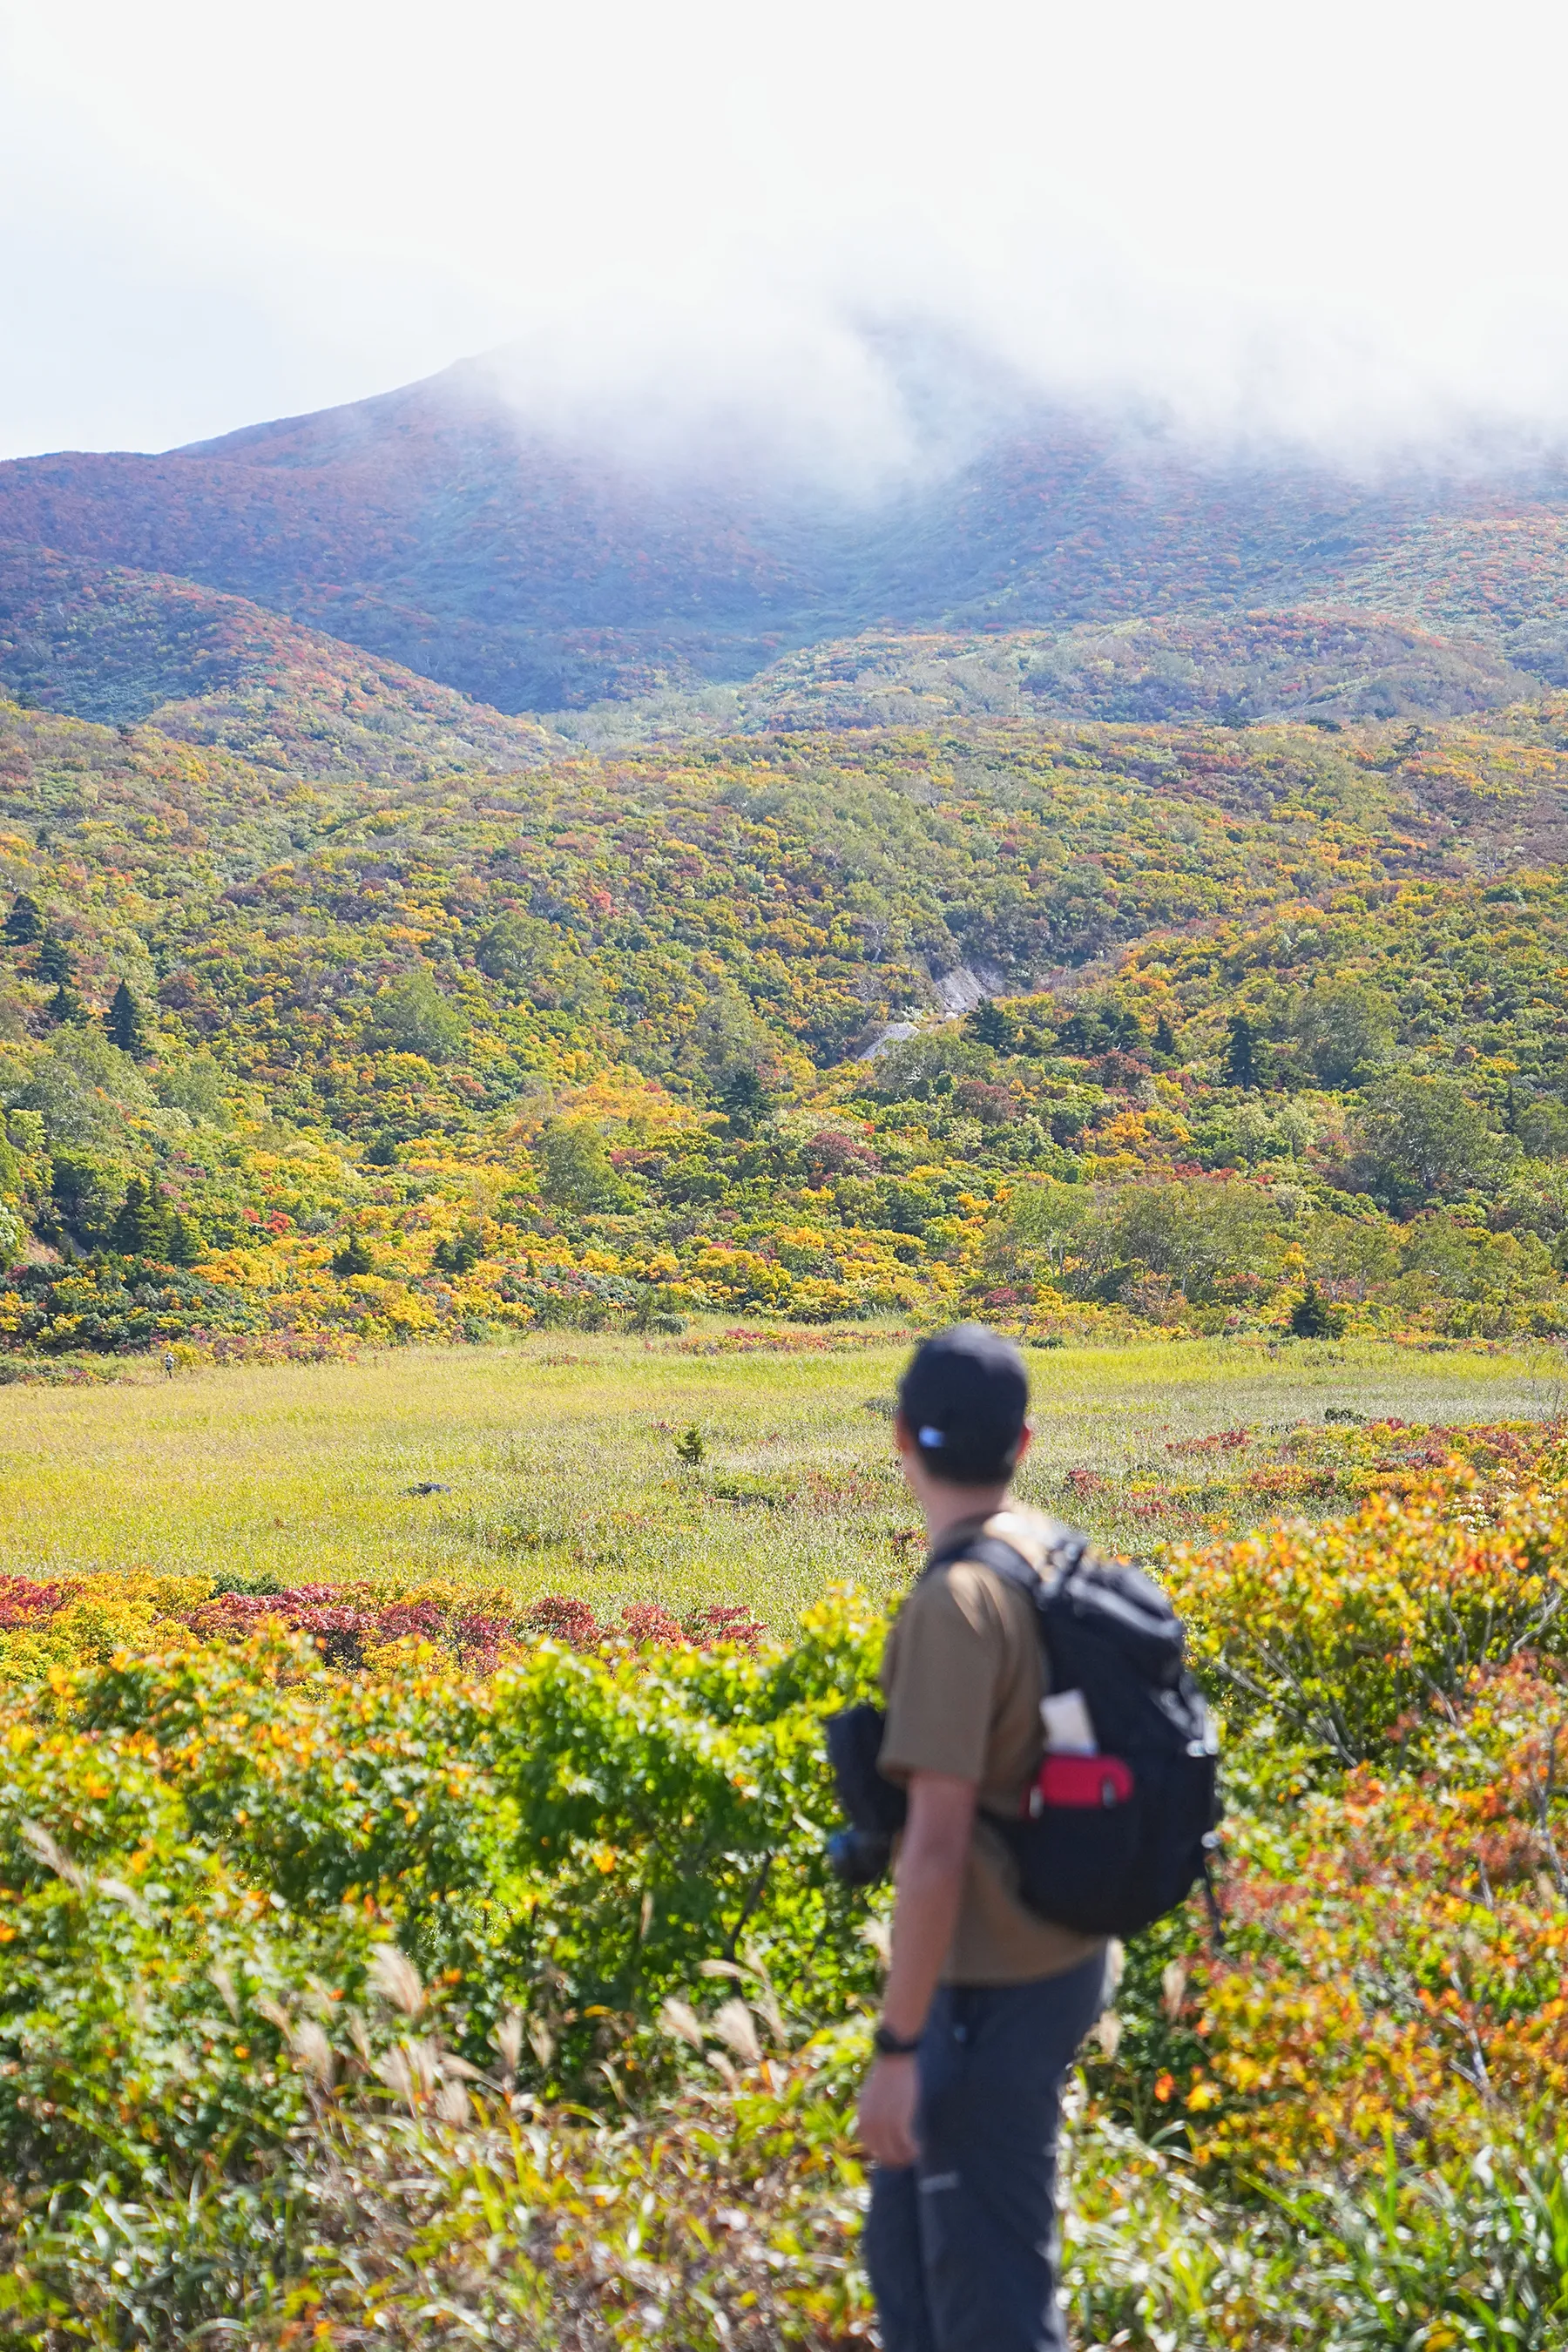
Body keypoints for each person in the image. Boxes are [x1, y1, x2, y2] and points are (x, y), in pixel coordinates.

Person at [857, 1322, 1110, 2352]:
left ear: (901, 1443)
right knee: (914, 2262)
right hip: (1061, 1954)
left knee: (993, 2302)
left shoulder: (959, 1600)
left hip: (986, 1988)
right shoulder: (1048, 1550)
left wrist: (899, 2046)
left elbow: (935, 1850)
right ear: (1023, 1443)